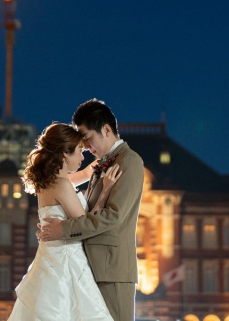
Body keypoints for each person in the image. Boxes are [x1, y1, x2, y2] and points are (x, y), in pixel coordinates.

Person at [40, 99, 144, 321]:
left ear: (106, 130)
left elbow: (112, 216)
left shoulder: (130, 162)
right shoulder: (100, 166)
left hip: (111, 271)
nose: (85, 147)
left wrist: (63, 229)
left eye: (87, 138)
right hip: (89, 268)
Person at [8, 122, 122, 321]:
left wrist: (96, 166)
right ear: (64, 154)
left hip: (50, 260)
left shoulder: (48, 182)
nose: (82, 156)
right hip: (67, 263)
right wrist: (105, 190)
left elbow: (84, 175)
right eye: (79, 151)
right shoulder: (62, 185)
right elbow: (86, 224)